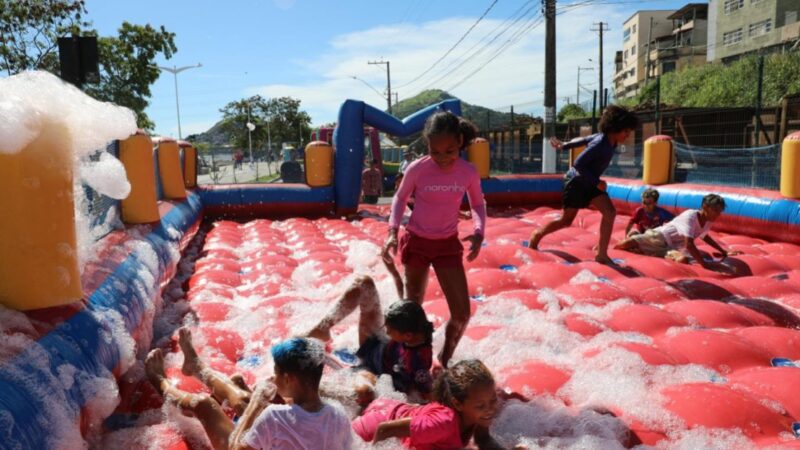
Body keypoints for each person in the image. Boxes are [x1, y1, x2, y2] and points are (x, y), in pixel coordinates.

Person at [383, 111, 487, 369]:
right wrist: (392, 231)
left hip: (447, 245)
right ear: (427, 146)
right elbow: (399, 198)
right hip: (418, 241)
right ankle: (410, 360)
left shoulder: (468, 172)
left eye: (450, 151)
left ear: (461, 142)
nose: (442, 158)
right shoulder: (418, 169)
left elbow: (477, 202)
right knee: (413, 308)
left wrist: (479, 229)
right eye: (435, 151)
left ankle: (444, 360)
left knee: (462, 313)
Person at [144, 333, 352, 450]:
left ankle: (160, 381)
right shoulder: (338, 414)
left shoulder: (274, 417)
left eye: (276, 373)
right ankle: (197, 366)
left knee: (205, 405)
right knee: (242, 398)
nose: (273, 378)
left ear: (289, 378)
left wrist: (256, 404)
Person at [528, 105, 639, 265]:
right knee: (566, 220)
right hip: (576, 182)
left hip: (589, 181)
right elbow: (578, 164)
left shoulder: (608, 139)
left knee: (610, 212)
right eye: (626, 131)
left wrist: (564, 145)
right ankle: (537, 234)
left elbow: (584, 139)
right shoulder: (601, 143)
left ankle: (601, 254)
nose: (628, 135)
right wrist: (597, 182)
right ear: (614, 127)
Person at [306, 273, 435, 402]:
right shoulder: (414, 331)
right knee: (364, 284)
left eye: (389, 330)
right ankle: (322, 328)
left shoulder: (418, 362)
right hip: (376, 346)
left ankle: (311, 388)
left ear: (407, 335)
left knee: (363, 392)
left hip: (375, 372)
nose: (386, 330)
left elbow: (425, 394)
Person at [351, 359, 505, 449]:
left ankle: (365, 385)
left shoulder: (480, 414)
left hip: (396, 409)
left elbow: (483, 441)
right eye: (481, 405)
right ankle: (362, 382)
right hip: (377, 423)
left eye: (493, 400)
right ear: (458, 404)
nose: (490, 409)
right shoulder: (442, 423)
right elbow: (384, 430)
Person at [615, 193, 741, 268]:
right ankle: (635, 237)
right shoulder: (691, 216)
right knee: (622, 245)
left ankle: (646, 250)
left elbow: (704, 236)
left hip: (671, 247)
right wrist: (703, 264)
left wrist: (723, 251)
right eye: (715, 210)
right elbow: (689, 244)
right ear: (705, 207)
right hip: (658, 236)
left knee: (682, 260)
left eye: (719, 212)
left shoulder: (708, 221)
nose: (717, 215)